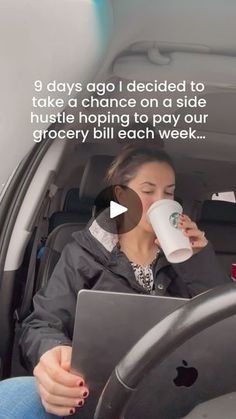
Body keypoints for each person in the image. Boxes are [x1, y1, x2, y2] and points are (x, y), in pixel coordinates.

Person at [0, 145, 230, 418]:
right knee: (13, 396)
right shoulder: (83, 252)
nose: (160, 200)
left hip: (177, 396)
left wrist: (197, 260)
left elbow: (224, 330)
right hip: (97, 394)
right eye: (148, 191)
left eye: (168, 192)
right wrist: (53, 354)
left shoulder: (188, 259)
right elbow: (41, 324)